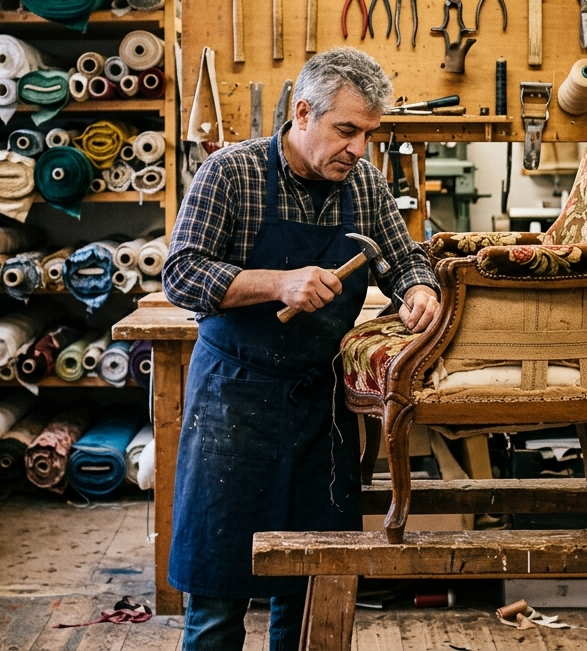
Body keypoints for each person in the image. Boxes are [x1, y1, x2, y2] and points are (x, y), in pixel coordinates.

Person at [162, 47, 442, 651]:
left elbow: (406, 257)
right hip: (234, 404)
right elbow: (180, 274)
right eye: (346, 130)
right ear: (302, 112)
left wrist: (419, 288)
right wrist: (276, 281)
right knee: (217, 595)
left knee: (312, 592)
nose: (359, 148)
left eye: (369, 133)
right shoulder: (229, 172)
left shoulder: (365, 184)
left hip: (322, 409)